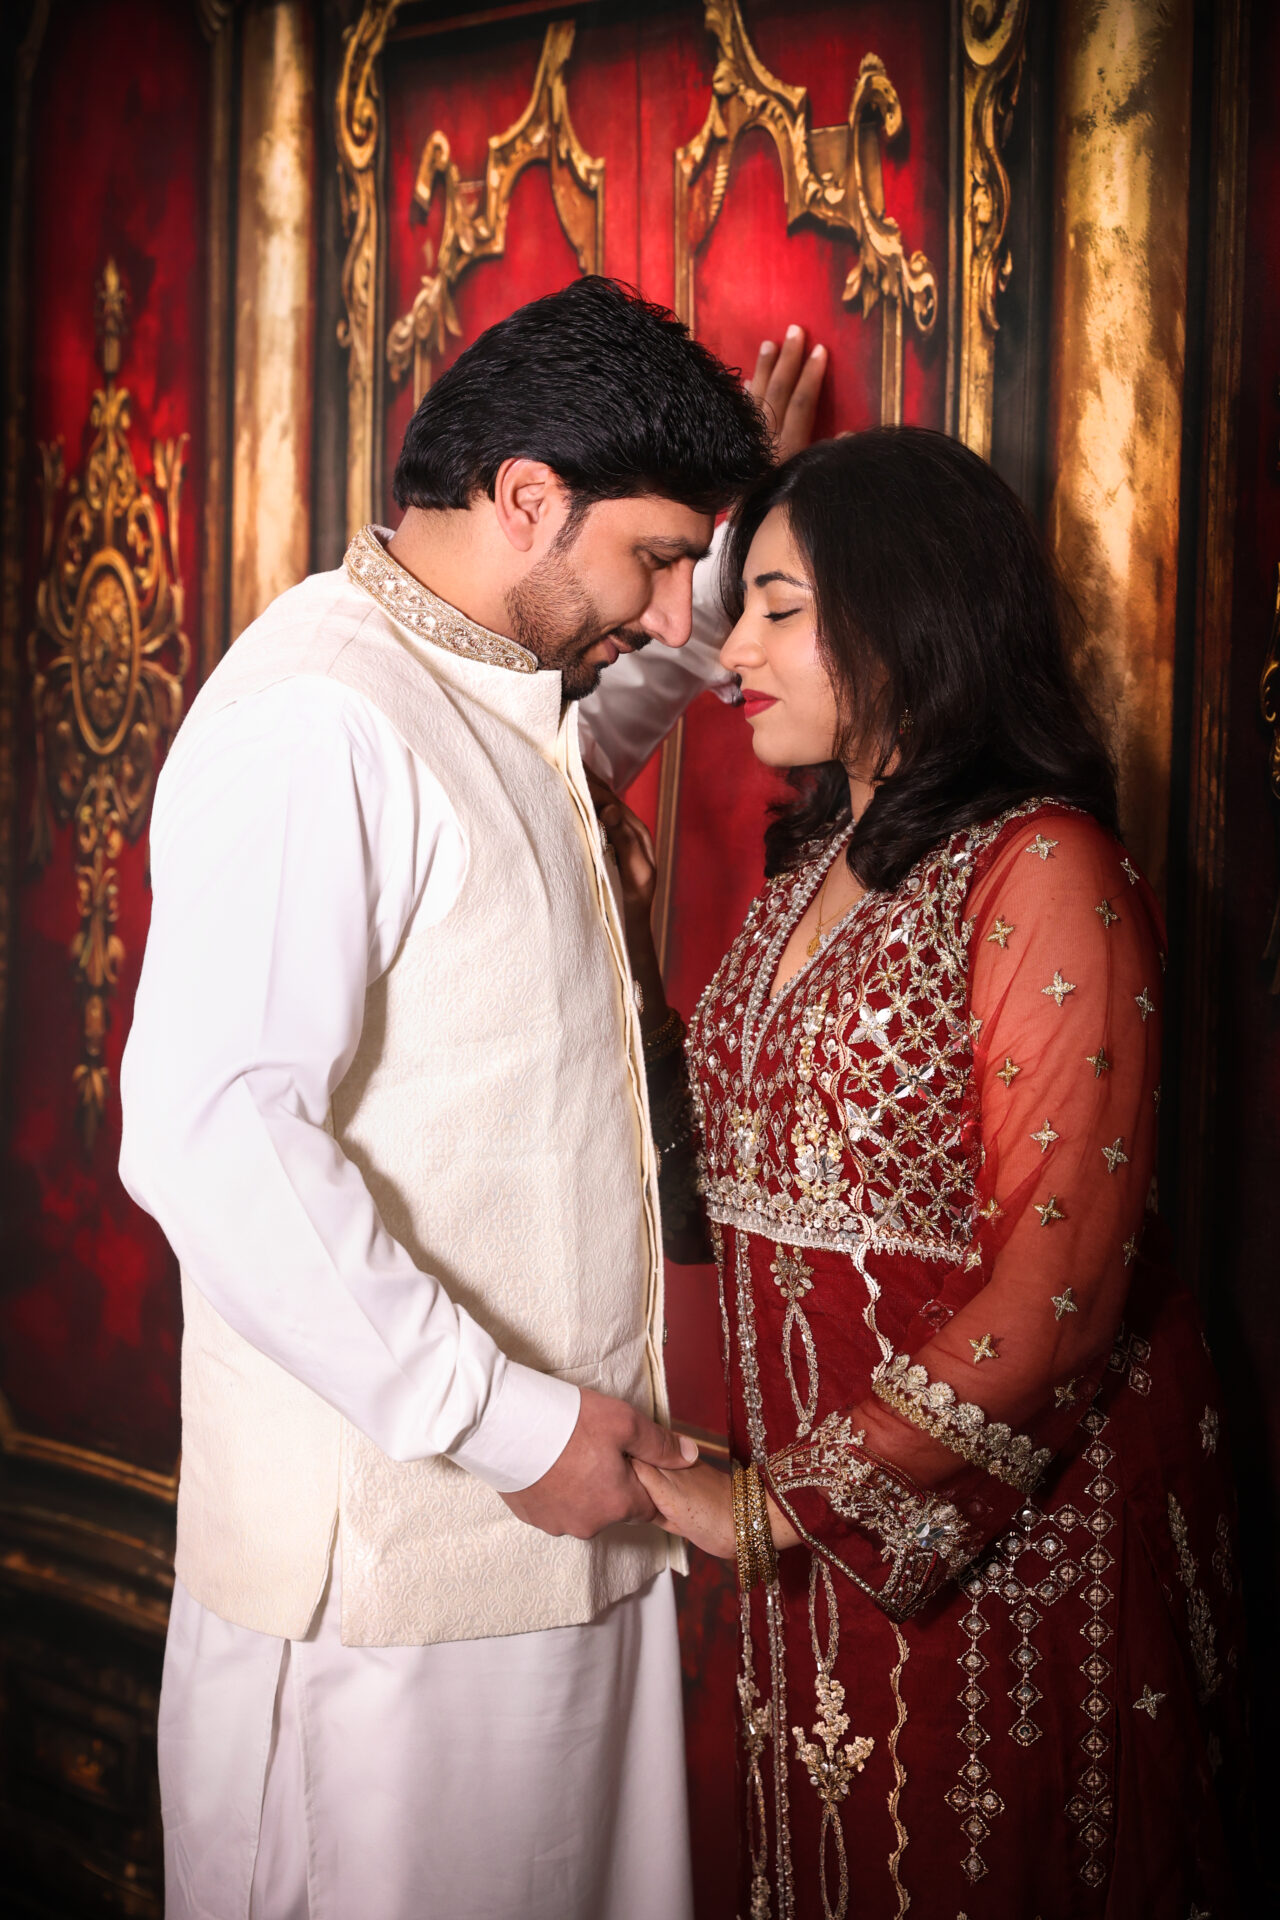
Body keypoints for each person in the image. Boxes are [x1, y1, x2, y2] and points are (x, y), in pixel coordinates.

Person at [118, 276, 786, 1920]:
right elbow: (209, 1135)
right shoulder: (320, 718)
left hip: (555, 1531)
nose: (659, 608)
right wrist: (513, 1425)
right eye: (650, 562)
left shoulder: (482, 685)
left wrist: (696, 637)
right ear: (526, 498)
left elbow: (536, 776)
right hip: (390, 1605)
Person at [605, 429, 1247, 1919]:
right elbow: (730, 1189)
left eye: (772, 606)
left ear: (903, 612)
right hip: (813, 1555)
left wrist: (779, 1507)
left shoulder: (1046, 869)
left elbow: (1062, 1296)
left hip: (1010, 1551)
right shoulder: (815, 866)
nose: (732, 648)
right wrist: (641, 977)